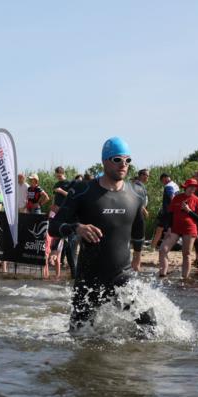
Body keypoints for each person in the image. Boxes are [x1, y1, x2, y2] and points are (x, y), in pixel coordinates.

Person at [48, 137, 149, 333]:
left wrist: (137, 255)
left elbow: (139, 226)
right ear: (105, 160)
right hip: (89, 280)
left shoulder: (136, 193)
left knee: (149, 326)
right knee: (79, 336)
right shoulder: (83, 190)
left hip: (122, 275)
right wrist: (77, 228)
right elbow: (54, 226)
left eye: (128, 160)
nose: (124, 165)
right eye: (117, 159)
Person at [158, 177, 198, 280]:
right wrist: (169, 228)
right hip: (175, 228)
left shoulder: (197, 200)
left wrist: (189, 211)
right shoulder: (177, 197)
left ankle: (185, 279)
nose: (192, 189)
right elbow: (170, 214)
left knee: (186, 254)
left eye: (194, 187)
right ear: (186, 187)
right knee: (162, 249)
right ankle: (162, 274)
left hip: (189, 229)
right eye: (190, 187)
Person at [151, 173, 178, 249]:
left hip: (167, 212)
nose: (163, 183)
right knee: (169, 230)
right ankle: (165, 246)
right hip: (173, 212)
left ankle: (152, 247)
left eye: (162, 181)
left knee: (159, 229)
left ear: (165, 178)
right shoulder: (175, 185)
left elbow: (172, 197)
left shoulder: (168, 186)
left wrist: (171, 208)